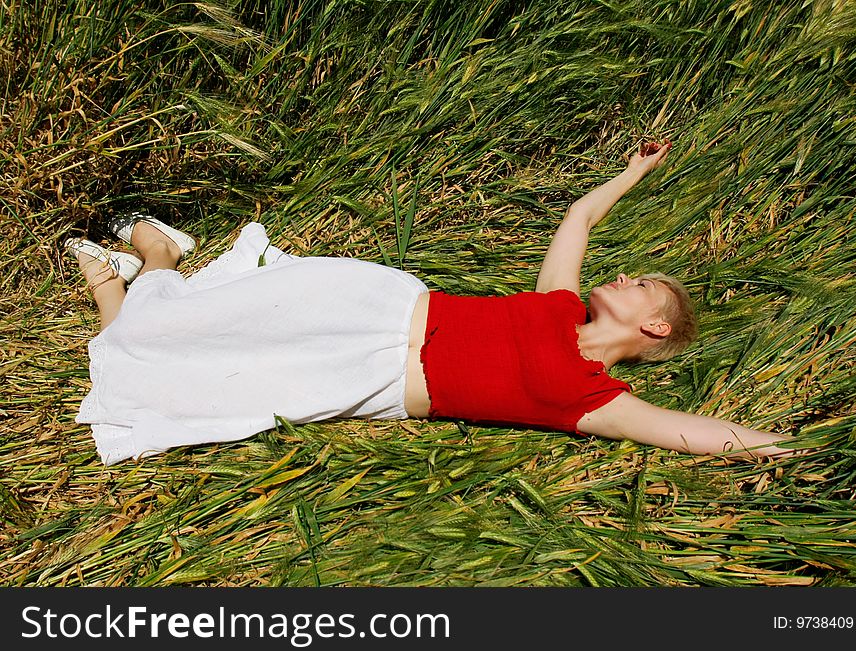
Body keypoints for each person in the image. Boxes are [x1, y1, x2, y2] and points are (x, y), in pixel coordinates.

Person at [67, 138, 799, 465]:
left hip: (376, 380)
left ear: (653, 323)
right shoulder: (555, 305)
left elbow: (691, 431)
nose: (621, 277)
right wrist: (633, 174)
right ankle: (153, 253)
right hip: (373, 307)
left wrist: (791, 447)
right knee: (198, 324)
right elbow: (578, 220)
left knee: (189, 387)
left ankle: (130, 270)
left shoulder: (594, 398)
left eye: (639, 283)